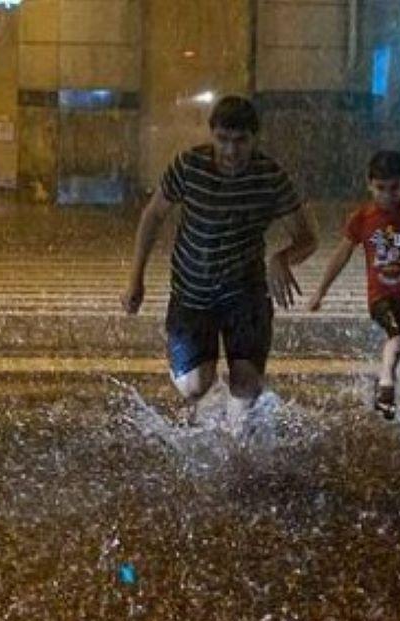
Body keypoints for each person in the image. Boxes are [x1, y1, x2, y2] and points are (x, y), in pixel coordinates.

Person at [121, 95, 318, 414]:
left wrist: (282, 258)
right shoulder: (189, 166)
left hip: (245, 291)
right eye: (222, 139)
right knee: (194, 386)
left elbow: (308, 237)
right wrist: (135, 280)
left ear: (255, 138)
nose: (230, 151)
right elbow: (153, 215)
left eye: (241, 141)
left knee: (246, 386)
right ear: (211, 134)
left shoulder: (270, 177)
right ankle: (198, 380)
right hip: (192, 292)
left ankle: (236, 441)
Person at [307, 150, 400, 420]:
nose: (387, 196)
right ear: (369, 184)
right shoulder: (362, 219)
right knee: (398, 334)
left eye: (394, 188)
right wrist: (320, 291)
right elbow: (342, 254)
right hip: (382, 298)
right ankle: (386, 382)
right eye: (380, 188)